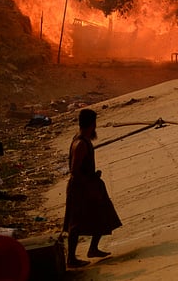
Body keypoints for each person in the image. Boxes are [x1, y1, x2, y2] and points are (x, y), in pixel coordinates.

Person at [64, 108, 122, 268]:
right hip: (81, 188)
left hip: (89, 184)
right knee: (75, 223)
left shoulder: (81, 139)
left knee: (102, 213)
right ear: (92, 124)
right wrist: (89, 183)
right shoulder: (80, 144)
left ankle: (93, 248)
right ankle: (71, 258)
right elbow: (75, 170)